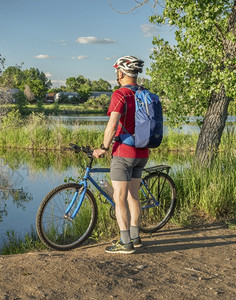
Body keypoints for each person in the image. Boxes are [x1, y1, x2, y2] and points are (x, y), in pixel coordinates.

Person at [92, 55, 148, 254]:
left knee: (120, 198)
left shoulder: (120, 94)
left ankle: (125, 243)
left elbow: (112, 123)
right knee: (134, 196)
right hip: (143, 152)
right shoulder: (144, 93)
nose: (117, 74)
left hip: (124, 152)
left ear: (121, 73)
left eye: (117, 71)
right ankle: (136, 237)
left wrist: (103, 147)